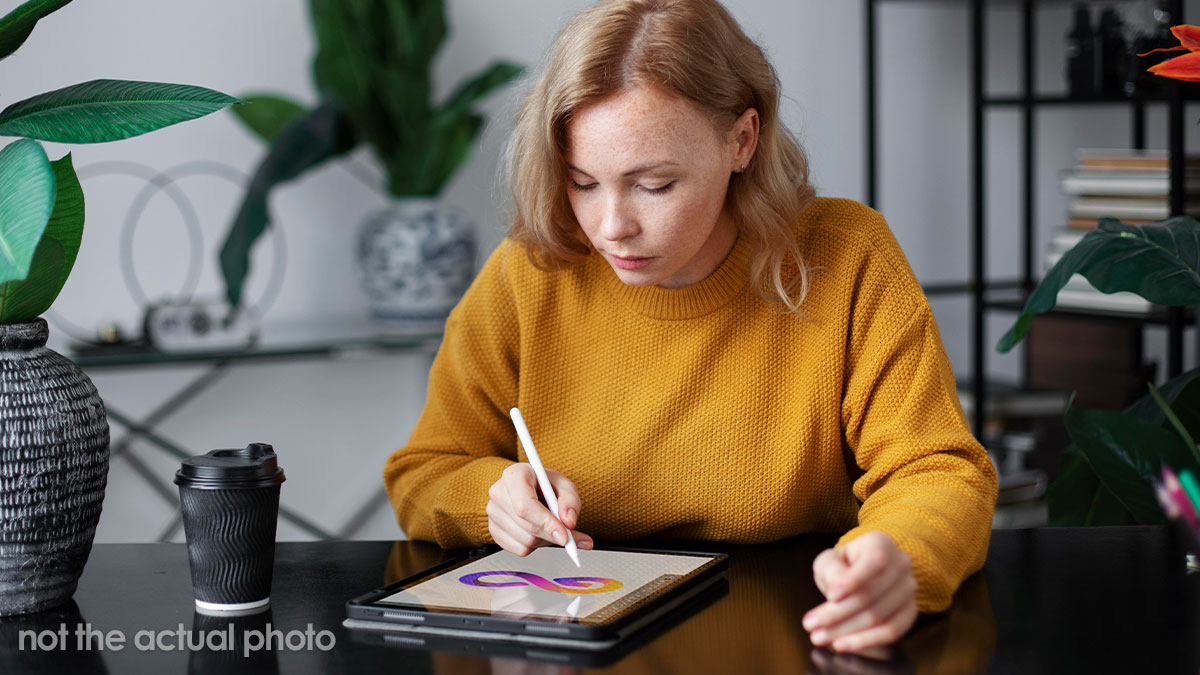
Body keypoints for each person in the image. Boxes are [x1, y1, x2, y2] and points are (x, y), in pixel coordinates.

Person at [384, 0, 998, 654]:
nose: (611, 227)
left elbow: (937, 469)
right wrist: (493, 498)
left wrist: (899, 554)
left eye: (653, 185)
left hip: (791, 635)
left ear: (742, 140)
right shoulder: (530, 272)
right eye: (583, 182)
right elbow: (423, 471)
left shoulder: (847, 257)